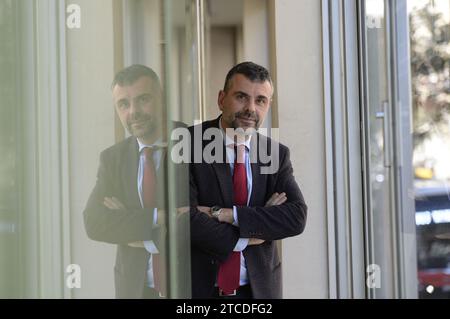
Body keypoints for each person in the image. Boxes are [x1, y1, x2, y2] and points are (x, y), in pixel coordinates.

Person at [189, 61, 307, 298]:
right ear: (221, 99)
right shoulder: (189, 144)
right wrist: (256, 229)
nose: (250, 109)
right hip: (202, 290)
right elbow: (186, 220)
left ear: (268, 105)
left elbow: (296, 217)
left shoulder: (276, 154)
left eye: (260, 100)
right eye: (241, 97)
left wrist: (222, 214)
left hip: (258, 291)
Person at [83, 64, 188, 299]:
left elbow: (195, 226)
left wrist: (129, 225)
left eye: (143, 99)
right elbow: (94, 222)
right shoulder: (112, 159)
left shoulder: (194, 145)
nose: (133, 112)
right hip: (135, 290)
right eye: (124, 104)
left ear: (161, 99)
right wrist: (159, 218)